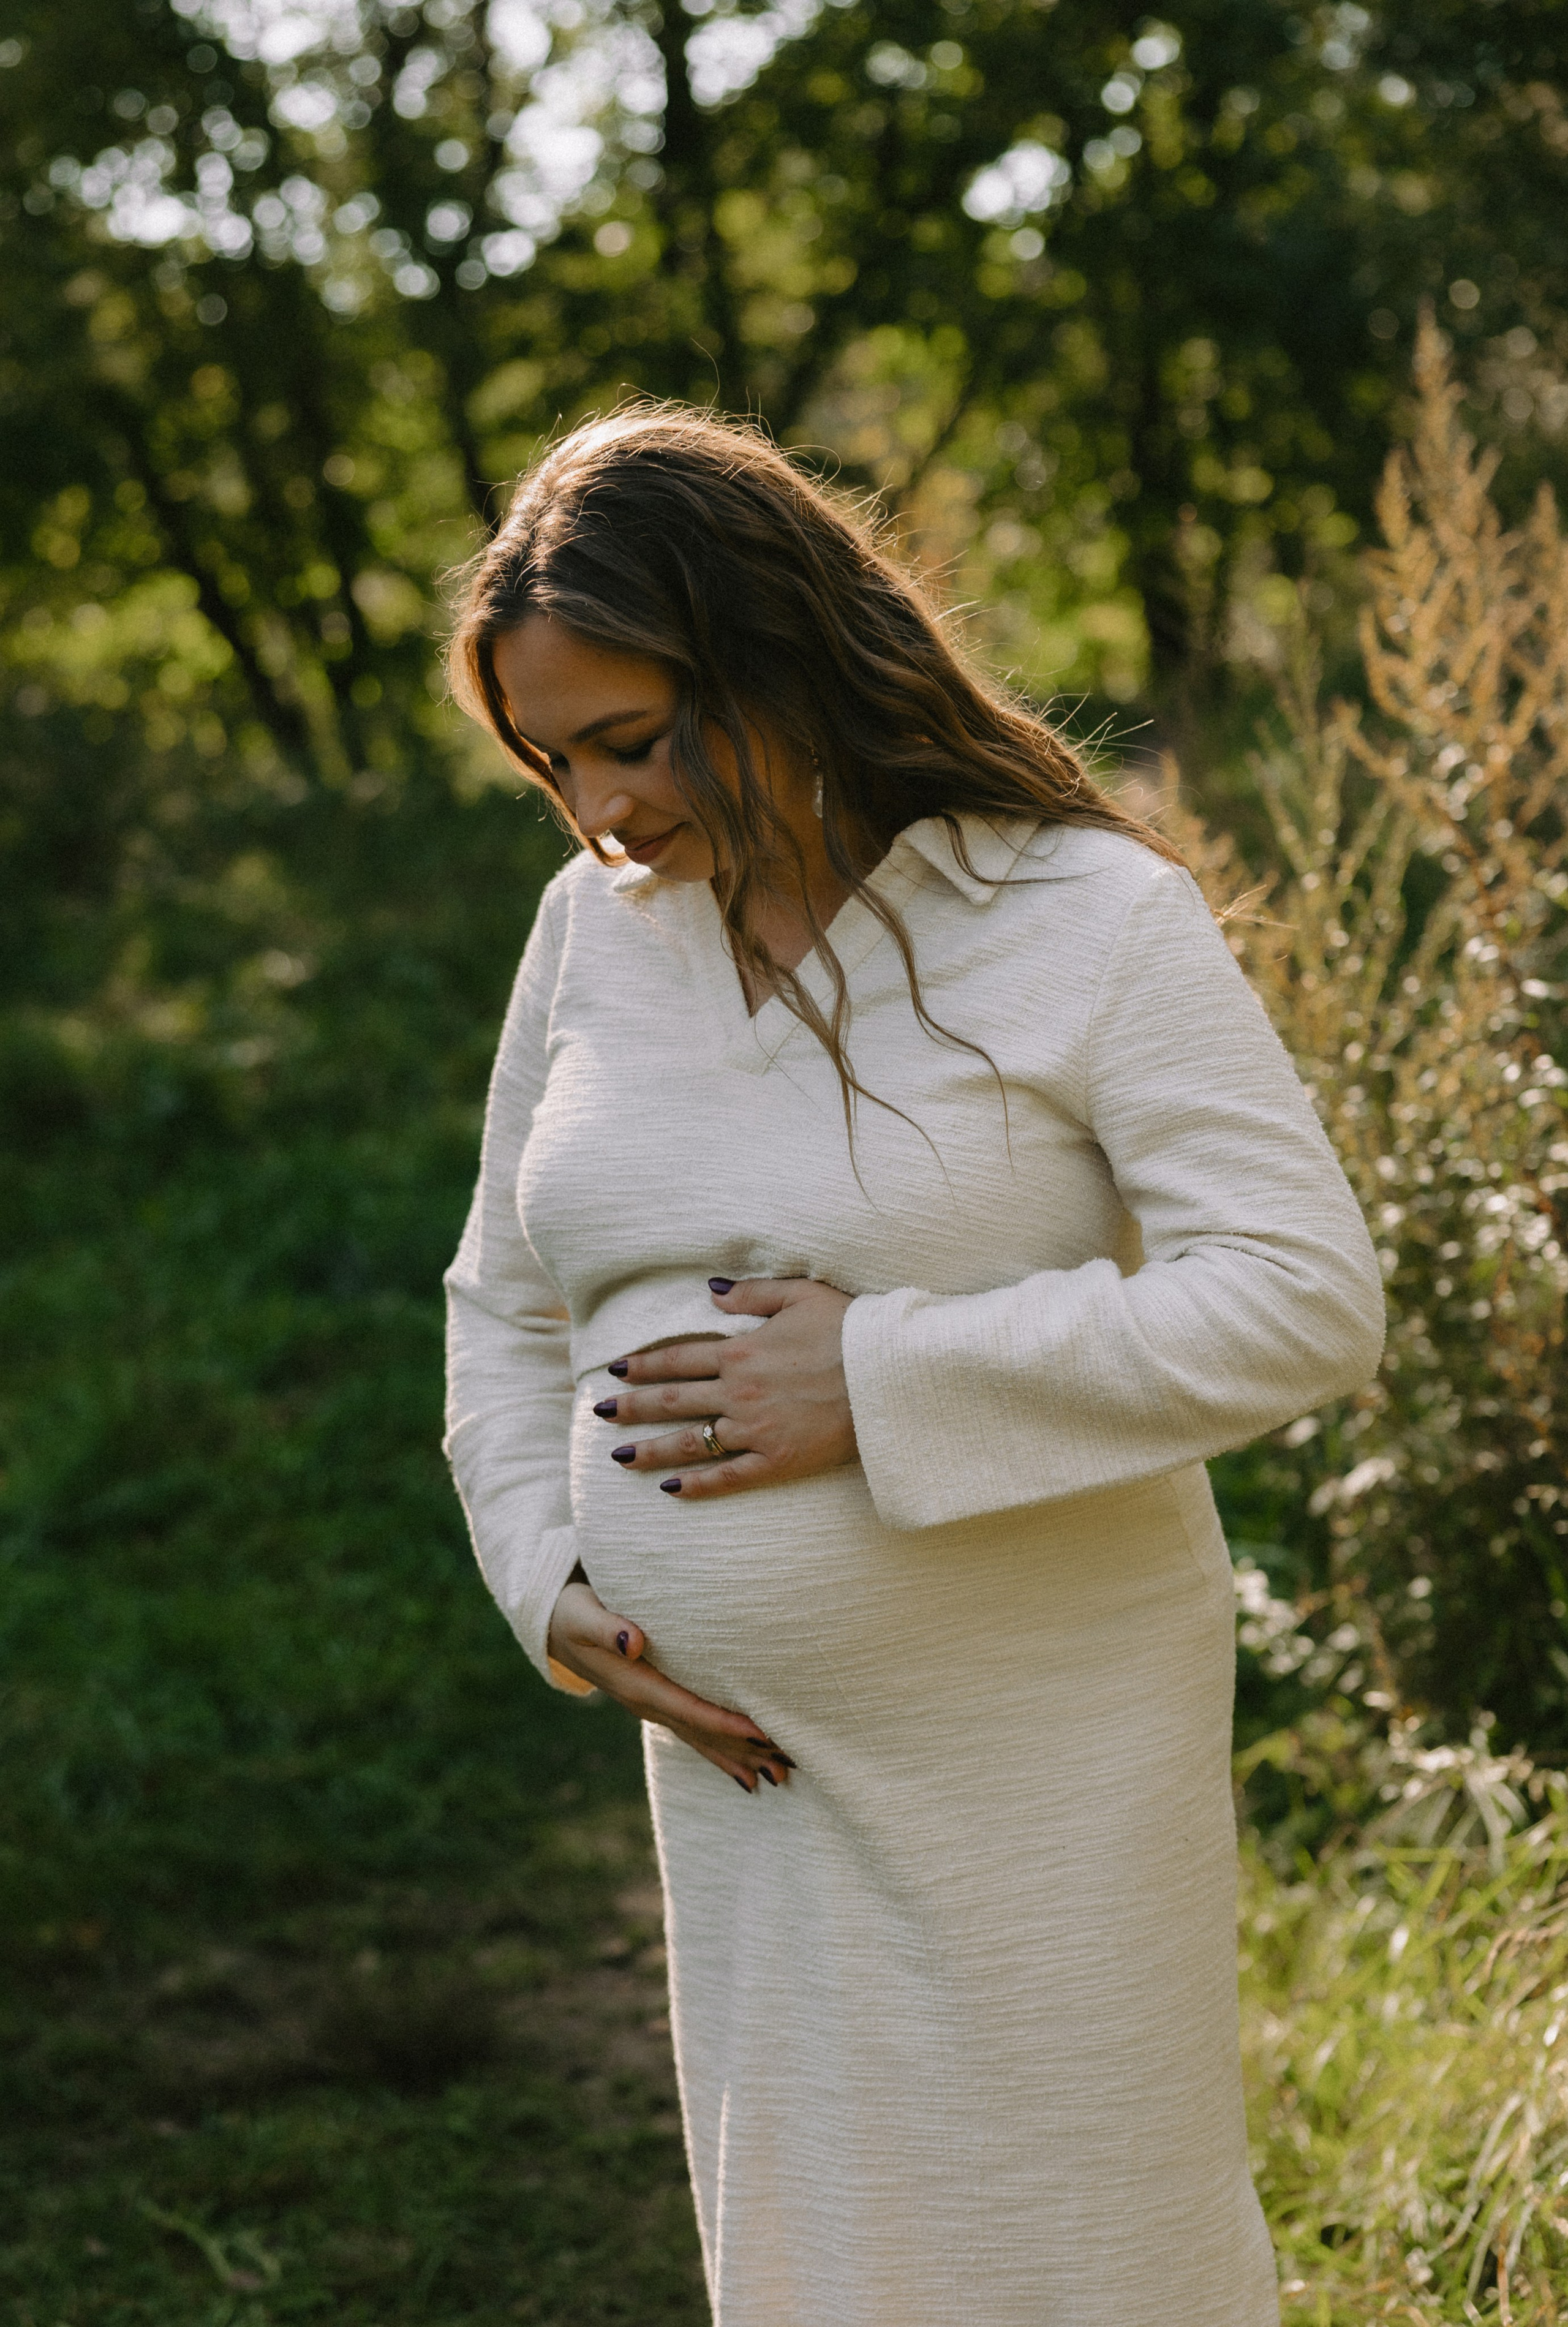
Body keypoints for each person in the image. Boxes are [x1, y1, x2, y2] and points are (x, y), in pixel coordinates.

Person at [441, 405, 1384, 2327]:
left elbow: (1300, 1294)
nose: (601, 808)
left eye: (633, 740)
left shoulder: (1078, 919)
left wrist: (878, 1376)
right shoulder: (590, 934)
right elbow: (499, 1302)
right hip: (745, 1776)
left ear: (773, 651)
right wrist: (550, 1579)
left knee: (1080, 2241)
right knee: (820, 2255)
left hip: (1040, 1741)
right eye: (554, 762)